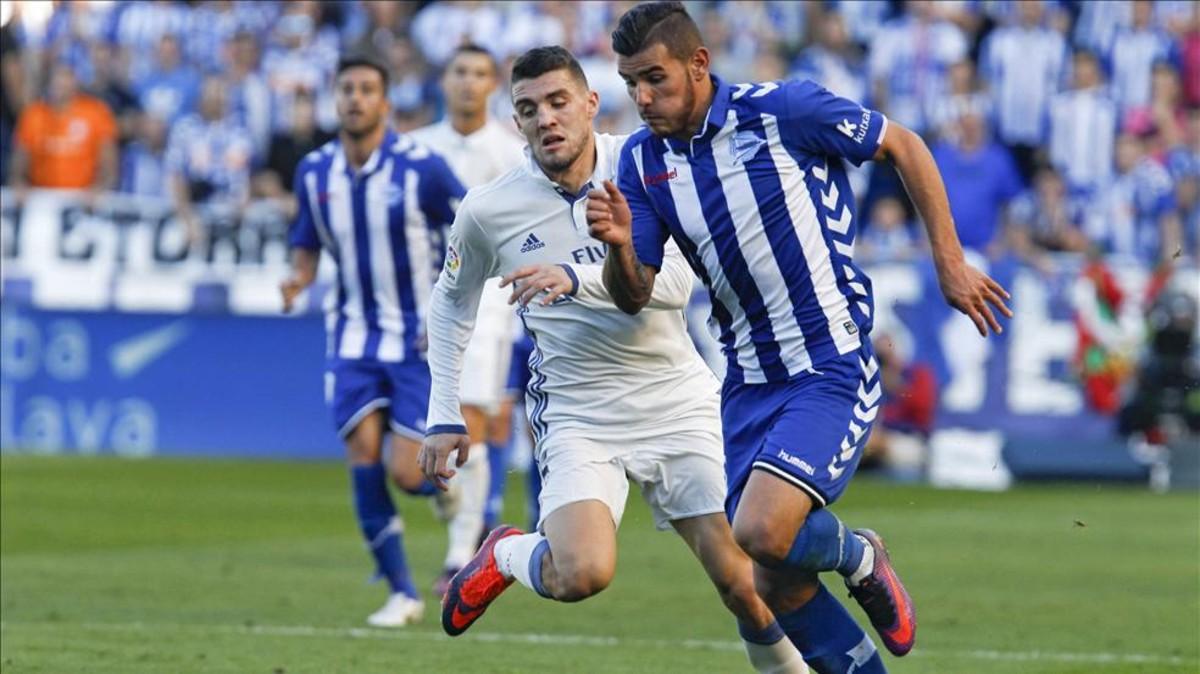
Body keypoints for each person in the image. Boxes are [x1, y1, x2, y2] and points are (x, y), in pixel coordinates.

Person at [593, 3, 1011, 672]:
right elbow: (633, 292)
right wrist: (617, 245)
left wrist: (950, 262)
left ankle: (860, 553)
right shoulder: (643, 163)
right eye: (630, 83)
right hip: (747, 382)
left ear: (699, 64)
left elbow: (902, 144)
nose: (642, 98)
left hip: (830, 366)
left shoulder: (783, 111)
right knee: (774, 577)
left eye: (655, 79)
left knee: (760, 529)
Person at [420, 46, 808, 674]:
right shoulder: (488, 209)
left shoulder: (646, 163)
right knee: (582, 574)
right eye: (527, 109)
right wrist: (443, 412)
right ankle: (507, 555)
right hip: (578, 411)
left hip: (675, 396)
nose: (545, 119)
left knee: (744, 581)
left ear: (590, 104)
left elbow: (678, 284)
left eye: (557, 102)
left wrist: (578, 279)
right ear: (515, 123)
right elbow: (449, 305)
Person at [279, 49, 466, 628]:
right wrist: (297, 278)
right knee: (361, 453)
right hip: (353, 338)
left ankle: (443, 494)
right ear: (337, 100)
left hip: (414, 342)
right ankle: (402, 590)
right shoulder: (316, 172)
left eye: (366, 89)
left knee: (408, 473)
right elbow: (305, 241)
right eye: (346, 89)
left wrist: (458, 294)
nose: (355, 99)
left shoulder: (421, 167)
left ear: (385, 103)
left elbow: (469, 224)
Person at [408, 43, 527, 595]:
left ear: (492, 84)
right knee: (413, 460)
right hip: (418, 304)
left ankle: (460, 555)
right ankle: (466, 517)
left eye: (480, 73)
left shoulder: (511, 151)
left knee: (472, 422)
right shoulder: (415, 149)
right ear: (444, 80)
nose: (468, 83)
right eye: (459, 71)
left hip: (489, 306)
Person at [10, 63, 117, 195]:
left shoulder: (96, 113)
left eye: (66, 76)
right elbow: (18, 166)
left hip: (82, 199)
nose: (60, 82)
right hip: (41, 197)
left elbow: (109, 166)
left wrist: (99, 189)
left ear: (76, 81)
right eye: (56, 76)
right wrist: (19, 186)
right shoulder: (33, 115)